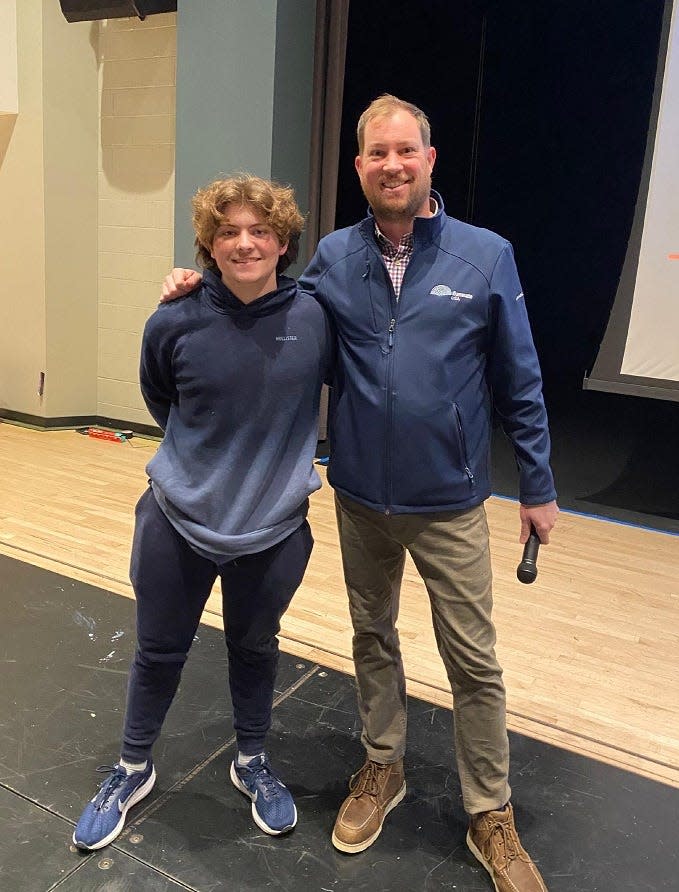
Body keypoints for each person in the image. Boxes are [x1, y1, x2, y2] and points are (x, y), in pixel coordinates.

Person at [162, 96, 558, 892]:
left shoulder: (485, 255)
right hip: (359, 496)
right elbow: (266, 309)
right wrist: (197, 283)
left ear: (428, 160)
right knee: (371, 636)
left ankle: (490, 810)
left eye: (405, 151)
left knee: (472, 661)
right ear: (359, 167)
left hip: (449, 499)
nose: (392, 165)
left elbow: (520, 378)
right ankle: (383, 766)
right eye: (376, 153)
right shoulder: (336, 258)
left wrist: (537, 486)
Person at [72, 174, 332, 852]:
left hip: (273, 531)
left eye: (259, 231)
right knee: (158, 654)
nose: (244, 243)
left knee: (254, 649)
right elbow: (162, 400)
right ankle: (131, 769)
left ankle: (251, 762)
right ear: (208, 245)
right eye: (227, 232)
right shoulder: (173, 319)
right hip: (176, 522)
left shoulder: (314, 317)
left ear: (282, 242)